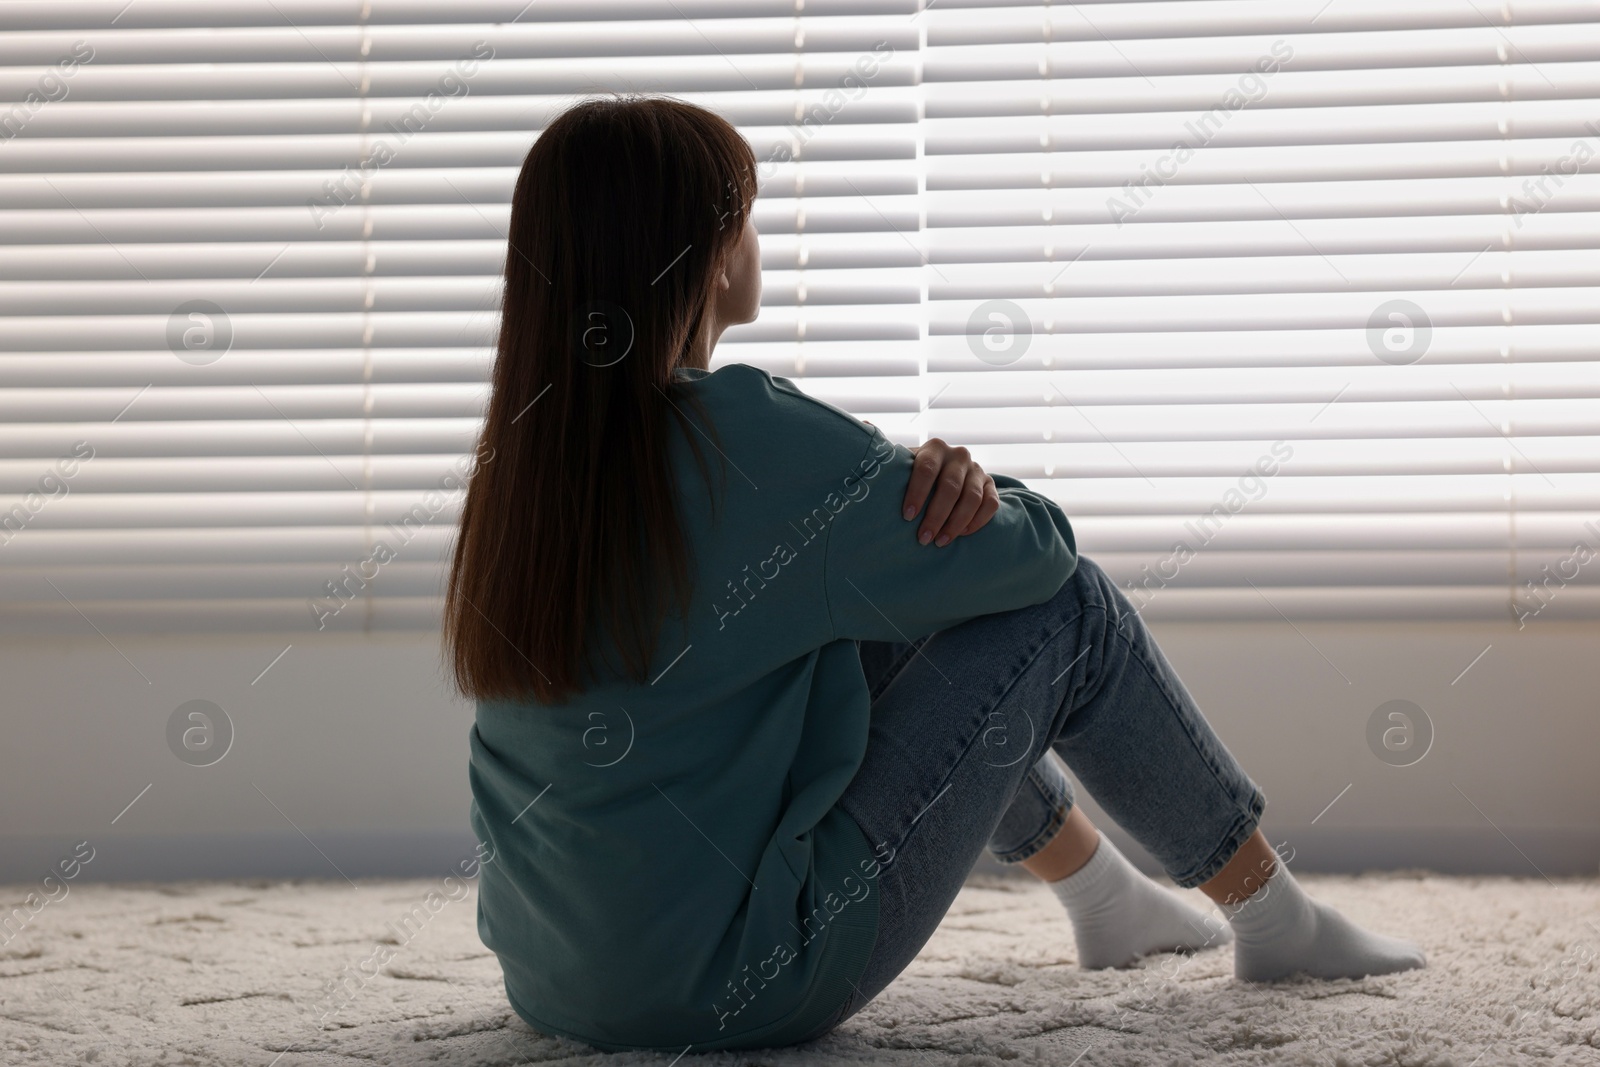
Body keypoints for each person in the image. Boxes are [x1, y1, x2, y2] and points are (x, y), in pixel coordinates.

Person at [444, 96, 1425, 1055]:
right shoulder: (744, 438)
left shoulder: (525, 472)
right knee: (1066, 607)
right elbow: (1035, 557)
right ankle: (1274, 916)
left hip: (550, 978)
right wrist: (974, 482)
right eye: (742, 215)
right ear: (701, 254)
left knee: (866, 621)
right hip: (741, 987)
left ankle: (1107, 898)